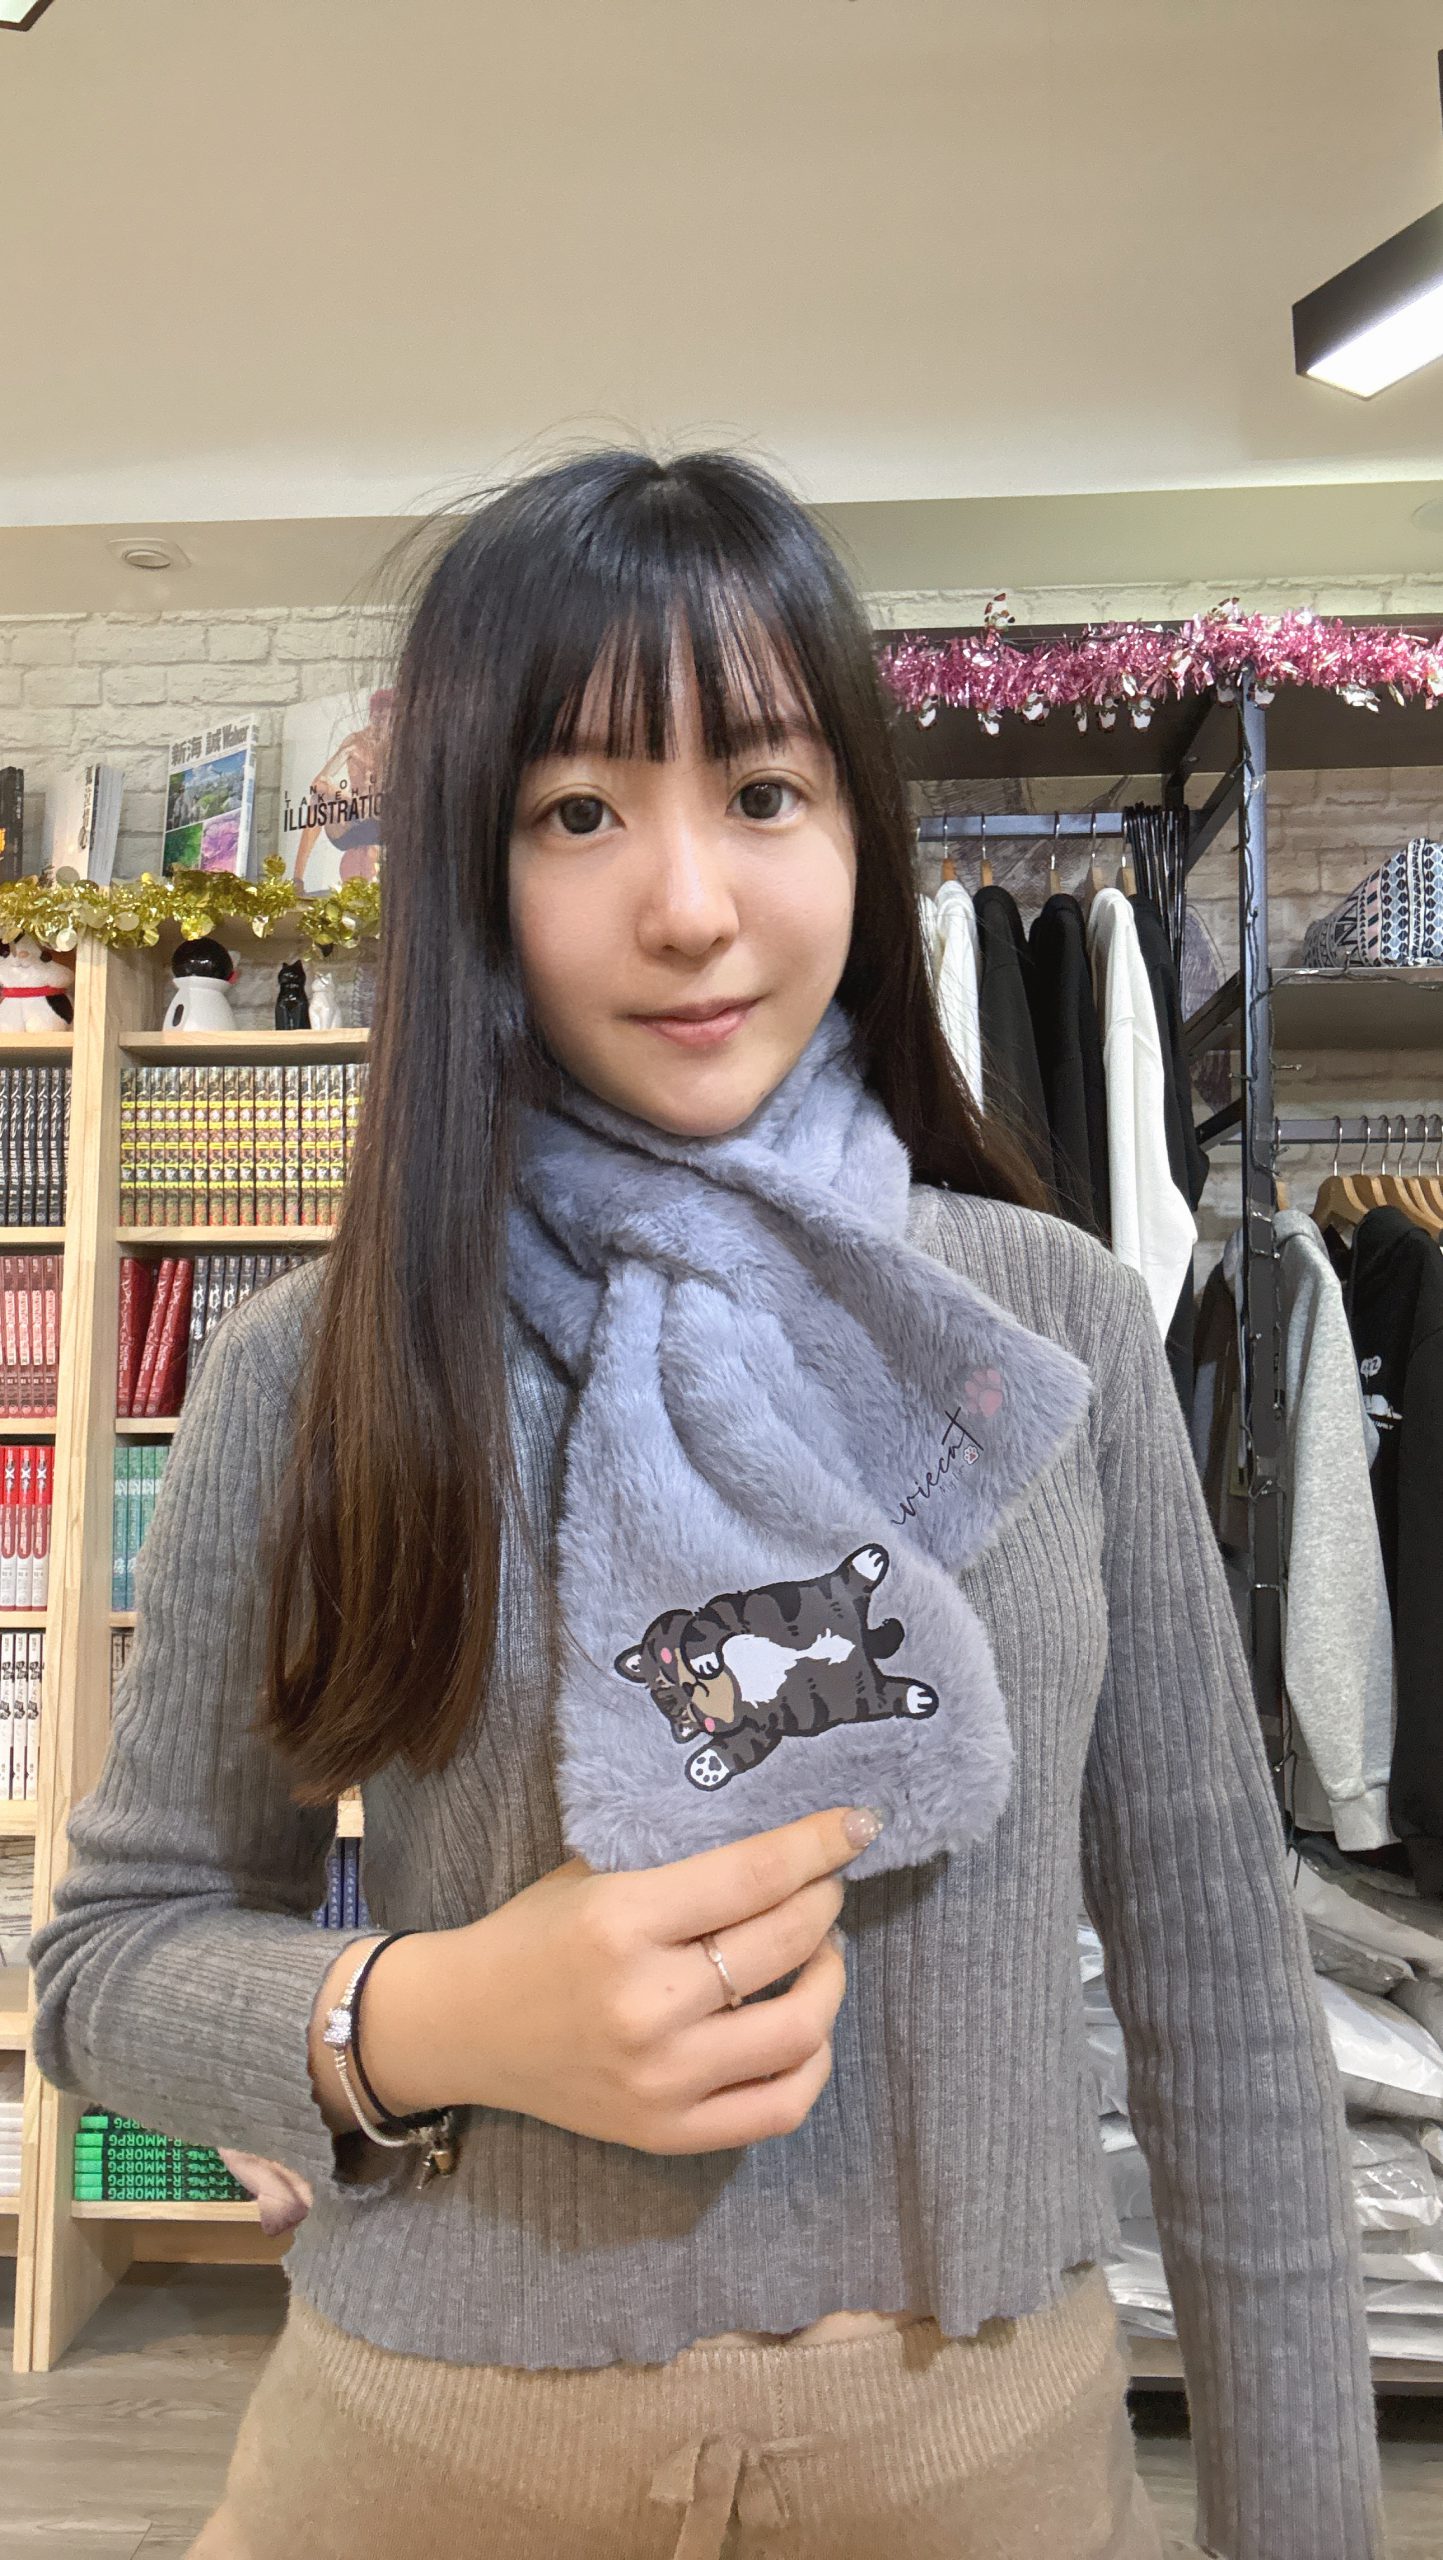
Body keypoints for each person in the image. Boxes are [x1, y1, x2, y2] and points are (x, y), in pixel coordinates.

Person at [30, 451, 1380, 2560]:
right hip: (424, 2466)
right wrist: (442, 2015)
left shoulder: (1044, 1327)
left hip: (983, 2472)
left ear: (856, 828)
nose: (686, 903)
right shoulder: (320, 1362)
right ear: (471, 866)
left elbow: (1221, 2001)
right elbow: (105, 1966)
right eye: (577, 810)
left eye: (760, 790)